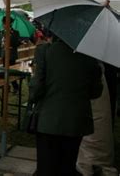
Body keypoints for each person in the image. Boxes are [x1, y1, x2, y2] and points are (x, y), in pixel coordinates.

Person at [29, 36, 103, 176]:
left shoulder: (45, 51)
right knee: (67, 167)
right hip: (76, 121)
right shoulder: (90, 56)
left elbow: (36, 90)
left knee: (46, 168)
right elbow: (95, 93)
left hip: (49, 120)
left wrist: (34, 85)